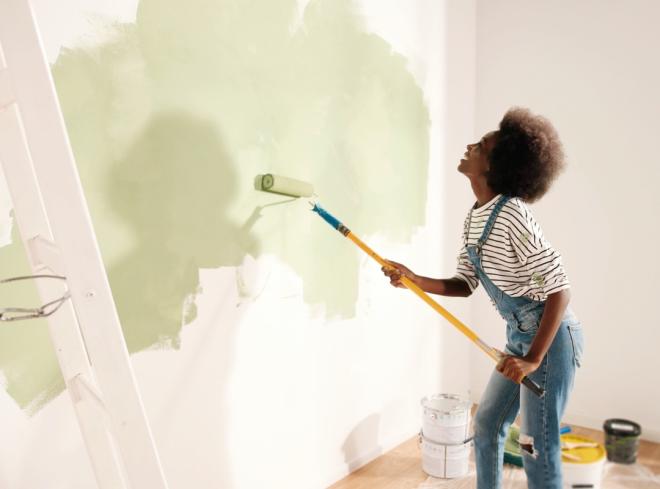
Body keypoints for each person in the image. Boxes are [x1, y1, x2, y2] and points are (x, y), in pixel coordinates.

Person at [382, 107, 584, 489]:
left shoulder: (512, 216)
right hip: (521, 338)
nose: (470, 145)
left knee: (535, 444)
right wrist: (415, 279)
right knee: (489, 424)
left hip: (551, 341)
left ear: (496, 164)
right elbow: (465, 282)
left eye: (482, 145)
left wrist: (532, 359)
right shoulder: (476, 216)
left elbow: (559, 289)